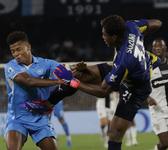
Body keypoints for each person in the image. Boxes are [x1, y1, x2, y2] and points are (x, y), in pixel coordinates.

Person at [53, 15, 162, 150]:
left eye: (105, 35)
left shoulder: (125, 61)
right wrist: (140, 35)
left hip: (135, 88)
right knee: (80, 74)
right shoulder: (130, 27)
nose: (103, 38)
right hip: (124, 70)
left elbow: (102, 92)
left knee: (115, 133)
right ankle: (47, 104)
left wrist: (72, 82)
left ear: (114, 37)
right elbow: (157, 23)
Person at [4, 31, 64, 150]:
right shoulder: (11, 67)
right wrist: (57, 82)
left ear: (28, 47)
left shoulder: (46, 64)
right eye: (13, 51)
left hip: (40, 118)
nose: (16, 54)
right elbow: (29, 81)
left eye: (18, 49)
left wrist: (72, 72)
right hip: (17, 118)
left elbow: (63, 72)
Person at [147, 37, 168, 150]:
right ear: (152, 50)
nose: (157, 48)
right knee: (165, 143)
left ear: (165, 48)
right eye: (155, 46)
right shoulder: (148, 67)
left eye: (160, 46)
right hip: (158, 111)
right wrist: (148, 97)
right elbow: (138, 86)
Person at [49, 74, 72, 148]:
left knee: (61, 119)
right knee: (46, 120)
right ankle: (53, 134)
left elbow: (59, 85)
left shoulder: (53, 74)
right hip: (46, 100)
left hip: (57, 99)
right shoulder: (41, 73)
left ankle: (68, 138)